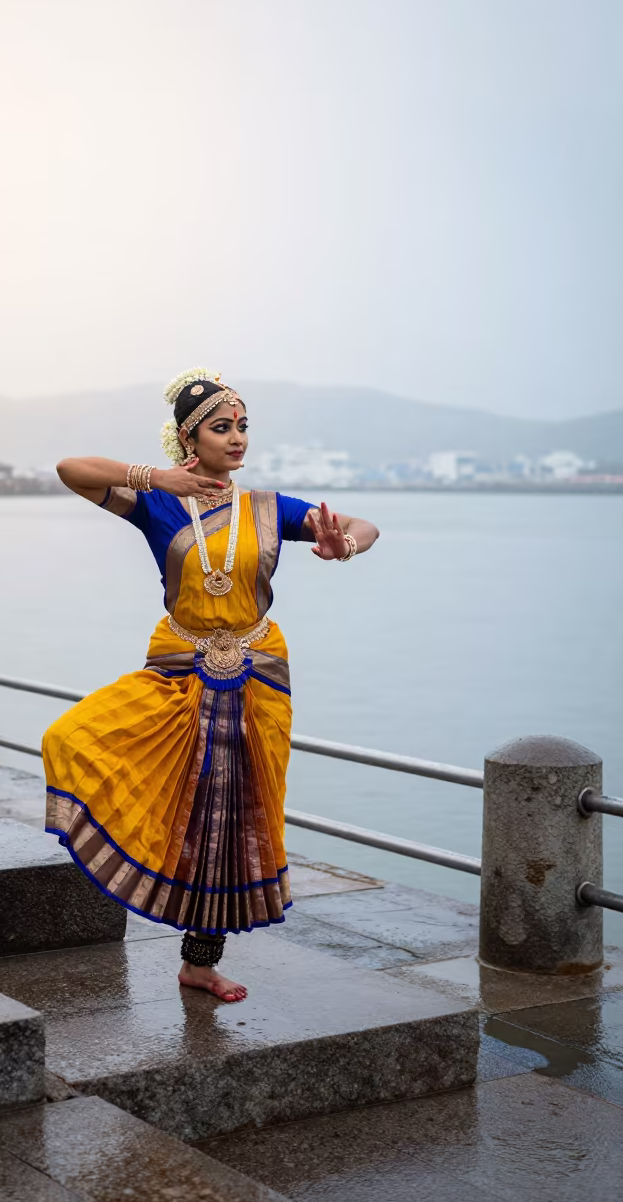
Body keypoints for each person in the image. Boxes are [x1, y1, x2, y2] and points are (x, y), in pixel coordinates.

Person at [43, 369, 379, 1002]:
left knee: (229, 821)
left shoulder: (268, 508)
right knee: (81, 741)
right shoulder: (157, 503)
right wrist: (153, 477)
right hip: (178, 672)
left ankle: (200, 963)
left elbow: (363, 524)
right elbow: (70, 468)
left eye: (242, 426)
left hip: (256, 677)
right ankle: (128, 870)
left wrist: (346, 546)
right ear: (188, 438)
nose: (237, 438)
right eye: (222, 427)